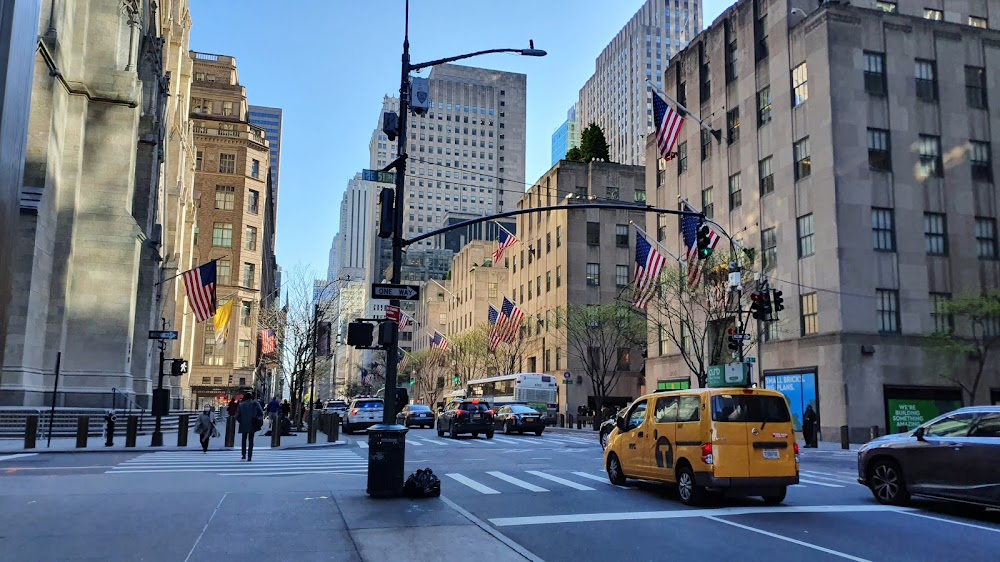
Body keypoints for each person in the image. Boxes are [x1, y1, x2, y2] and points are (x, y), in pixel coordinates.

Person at [236, 393, 264, 461]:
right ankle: (249, 456)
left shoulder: (241, 405)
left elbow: (237, 416)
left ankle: (243, 454)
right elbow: (261, 413)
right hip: (252, 423)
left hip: (243, 424)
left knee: (244, 439)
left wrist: (241, 421)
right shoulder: (255, 403)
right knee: (251, 440)